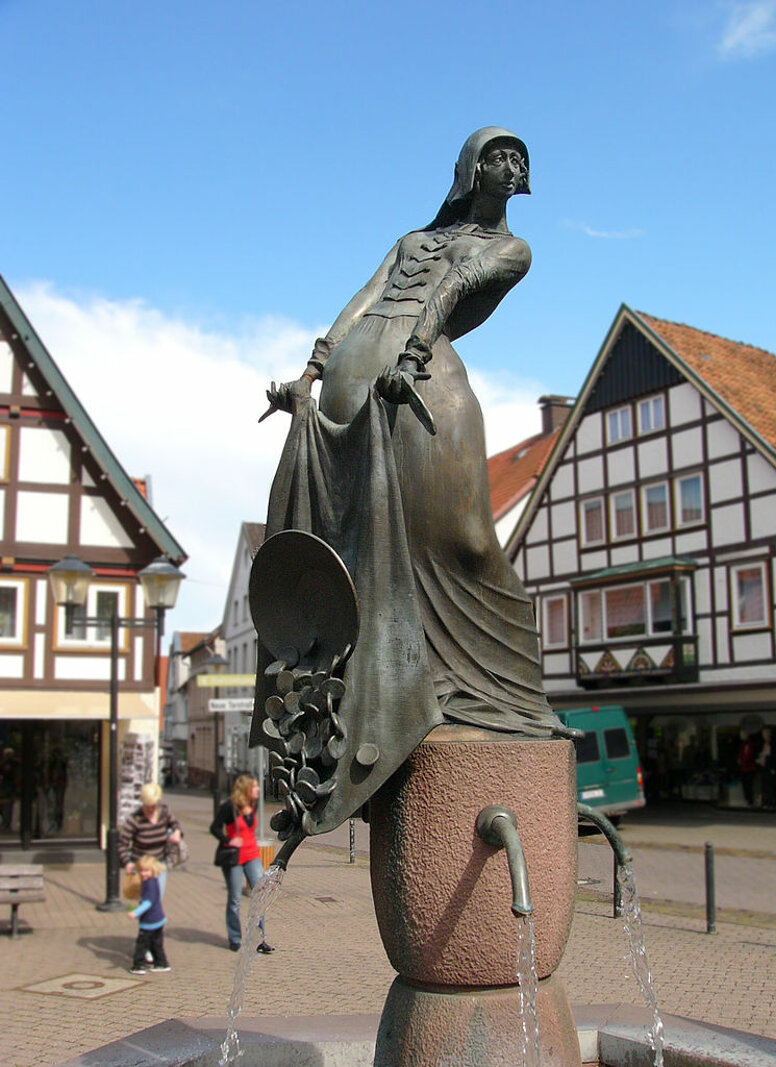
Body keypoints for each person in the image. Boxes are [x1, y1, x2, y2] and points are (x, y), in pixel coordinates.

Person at [253, 127, 563, 837]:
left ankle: (489, 690)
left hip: (415, 372)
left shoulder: (513, 249)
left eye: (521, 159)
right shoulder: (408, 239)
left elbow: (457, 288)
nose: (512, 165)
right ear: (470, 167)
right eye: (499, 153)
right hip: (363, 373)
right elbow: (362, 297)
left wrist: (415, 354)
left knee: (462, 536)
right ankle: (405, 687)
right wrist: (311, 371)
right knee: (381, 540)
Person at [210, 773, 274, 954]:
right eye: (254, 787)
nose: (258, 790)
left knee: (259, 895)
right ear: (246, 789)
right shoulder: (229, 807)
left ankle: (260, 939)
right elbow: (214, 827)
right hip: (234, 858)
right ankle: (234, 938)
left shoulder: (252, 806)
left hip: (252, 855)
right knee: (235, 899)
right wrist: (227, 840)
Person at [119, 782, 182, 899]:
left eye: (153, 805)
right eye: (147, 806)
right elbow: (122, 844)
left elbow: (175, 824)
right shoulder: (135, 819)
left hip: (159, 864)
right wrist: (127, 862)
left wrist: (177, 832)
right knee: (146, 900)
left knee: (157, 900)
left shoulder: (164, 812)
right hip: (143, 867)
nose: (150, 809)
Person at [126, 854, 170, 974]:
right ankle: (161, 963)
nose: (143, 873)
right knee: (156, 943)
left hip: (149, 920)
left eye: (146, 871)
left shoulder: (149, 884)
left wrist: (135, 912)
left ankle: (139, 965)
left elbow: (147, 903)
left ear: (153, 870)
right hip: (158, 918)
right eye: (141, 871)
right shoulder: (153, 880)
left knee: (142, 944)